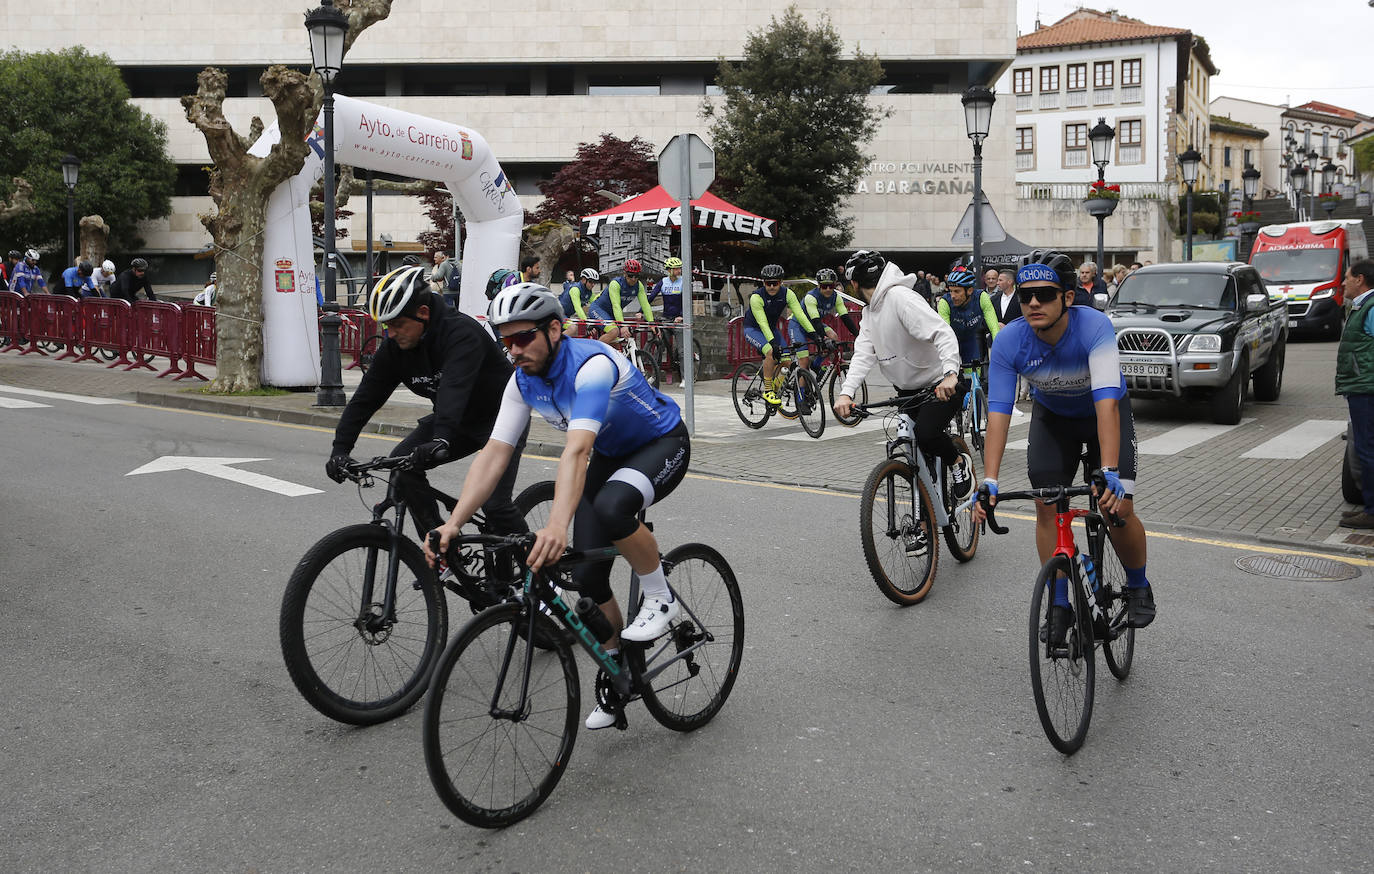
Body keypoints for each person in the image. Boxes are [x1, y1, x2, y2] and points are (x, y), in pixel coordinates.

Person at [426, 282, 690, 731]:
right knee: (587, 580)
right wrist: (453, 523)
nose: (513, 350)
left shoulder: (590, 366)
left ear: (554, 329)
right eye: (505, 340)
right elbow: (494, 453)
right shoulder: (522, 381)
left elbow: (576, 453)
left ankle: (662, 598)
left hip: (660, 443)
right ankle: (617, 669)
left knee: (612, 508)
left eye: (523, 337)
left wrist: (555, 525)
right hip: (608, 457)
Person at [971, 249, 1155, 647]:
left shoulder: (1095, 327)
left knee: (1117, 507)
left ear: (1068, 298)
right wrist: (989, 480)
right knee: (1047, 502)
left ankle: (1138, 584)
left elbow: (1106, 399)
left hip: (1103, 413)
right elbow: (999, 413)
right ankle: (1060, 603)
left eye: (1045, 294)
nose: (1033, 303)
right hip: (1053, 420)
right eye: (1025, 295)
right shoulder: (1008, 341)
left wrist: (1108, 470)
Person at [326, 264, 530, 541]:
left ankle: (535, 569)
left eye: (398, 324)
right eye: (387, 326)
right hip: (456, 421)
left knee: (494, 504)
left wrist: (442, 439)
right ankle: (441, 547)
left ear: (423, 313)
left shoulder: (460, 334)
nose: (392, 333)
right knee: (402, 467)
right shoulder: (395, 347)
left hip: (501, 418)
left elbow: (453, 388)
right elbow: (366, 398)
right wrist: (340, 449)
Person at [833, 250, 972, 510]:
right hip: (907, 390)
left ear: (854, 284)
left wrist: (951, 374)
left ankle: (958, 463)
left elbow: (942, 333)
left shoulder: (901, 299)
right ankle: (925, 519)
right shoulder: (869, 312)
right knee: (909, 446)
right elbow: (863, 353)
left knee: (927, 434)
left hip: (939, 384)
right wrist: (846, 393)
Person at [743, 263, 822, 407]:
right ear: (763, 283)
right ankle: (768, 391)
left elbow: (800, 316)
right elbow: (762, 323)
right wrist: (773, 343)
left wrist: (814, 334)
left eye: (776, 283)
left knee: (786, 361)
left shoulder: (788, 294)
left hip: (772, 329)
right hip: (753, 329)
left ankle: (775, 388)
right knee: (771, 352)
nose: (772, 287)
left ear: (781, 282)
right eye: (769, 283)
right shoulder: (756, 297)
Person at [1335, 259, 1374, 528]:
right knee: (1364, 448)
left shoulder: (1371, 307)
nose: (1343, 282)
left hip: (1367, 388)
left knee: (1368, 449)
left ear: (1360, 279)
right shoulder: (1362, 306)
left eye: (1347, 277)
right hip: (1362, 387)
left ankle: (1372, 512)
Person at [936, 265, 1000, 368]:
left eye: (957, 291)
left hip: (972, 340)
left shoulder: (981, 297)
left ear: (969, 290)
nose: (952, 296)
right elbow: (944, 334)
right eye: (951, 291)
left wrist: (999, 348)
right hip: (952, 341)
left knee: (973, 376)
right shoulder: (945, 302)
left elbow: (994, 328)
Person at [587, 258, 654, 345]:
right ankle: (593, 353)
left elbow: (645, 305)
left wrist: (652, 323)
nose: (633, 279)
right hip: (598, 309)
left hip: (612, 314)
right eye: (630, 275)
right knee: (614, 332)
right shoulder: (616, 284)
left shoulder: (639, 286)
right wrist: (622, 325)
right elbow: (616, 306)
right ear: (625, 274)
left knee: (617, 348)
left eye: (636, 276)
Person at [798, 267, 860, 351]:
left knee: (833, 339)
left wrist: (858, 335)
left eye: (831, 286)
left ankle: (817, 364)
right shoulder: (811, 297)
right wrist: (824, 338)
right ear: (819, 285)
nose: (828, 289)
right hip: (799, 325)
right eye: (824, 286)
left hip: (815, 324)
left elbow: (845, 318)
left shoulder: (836, 297)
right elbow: (815, 320)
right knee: (804, 359)